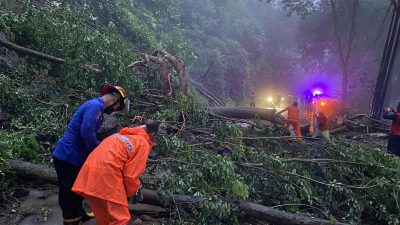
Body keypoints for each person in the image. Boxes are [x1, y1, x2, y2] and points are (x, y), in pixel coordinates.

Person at [53, 85, 130, 225]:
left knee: (77, 189)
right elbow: (87, 133)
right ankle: (71, 220)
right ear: (116, 101)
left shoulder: (98, 109)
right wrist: (99, 149)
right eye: (117, 108)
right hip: (68, 156)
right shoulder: (95, 106)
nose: (114, 111)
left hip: (75, 156)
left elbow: (92, 133)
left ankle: (80, 214)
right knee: (69, 193)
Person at [72, 119, 159, 225]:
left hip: (88, 175)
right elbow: (130, 175)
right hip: (107, 175)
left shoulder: (118, 135)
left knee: (104, 219)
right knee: (120, 219)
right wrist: (131, 192)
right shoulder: (143, 143)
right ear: (152, 134)